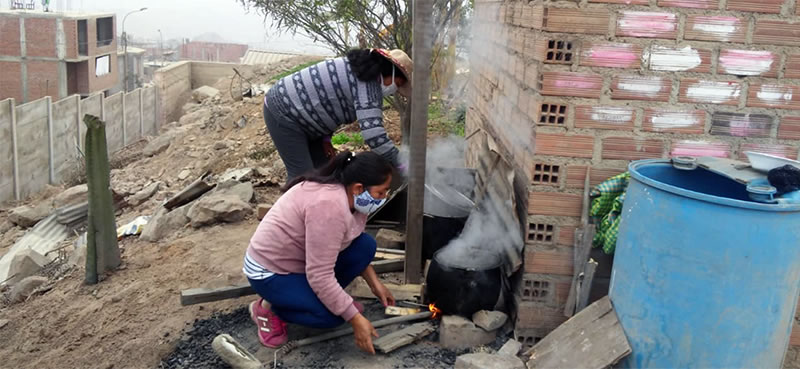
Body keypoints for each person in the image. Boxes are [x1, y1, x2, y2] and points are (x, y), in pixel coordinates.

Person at [243, 150, 397, 354]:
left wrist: (376, 285)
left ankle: (310, 299)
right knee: (331, 317)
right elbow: (320, 275)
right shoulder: (329, 206)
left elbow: (349, 242)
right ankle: (268, 308)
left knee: (365, 245)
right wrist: (353, 317)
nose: (384, 197)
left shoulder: (352, 199)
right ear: (359, 188)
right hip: (270, 272)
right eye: (381, 192)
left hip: (300, 262)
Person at [263, 48, 412, 181]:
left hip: (306, 120)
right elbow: (374, 136)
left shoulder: (361, 71)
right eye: (397, 84)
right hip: (284, 111)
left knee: (324, 171)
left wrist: (326, 138)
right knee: (302, 176)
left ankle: (321, 210)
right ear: (391, 72)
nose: (394, 90)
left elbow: (327, 102)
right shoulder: (368, 83)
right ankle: (292, 212)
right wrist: (402, 164)